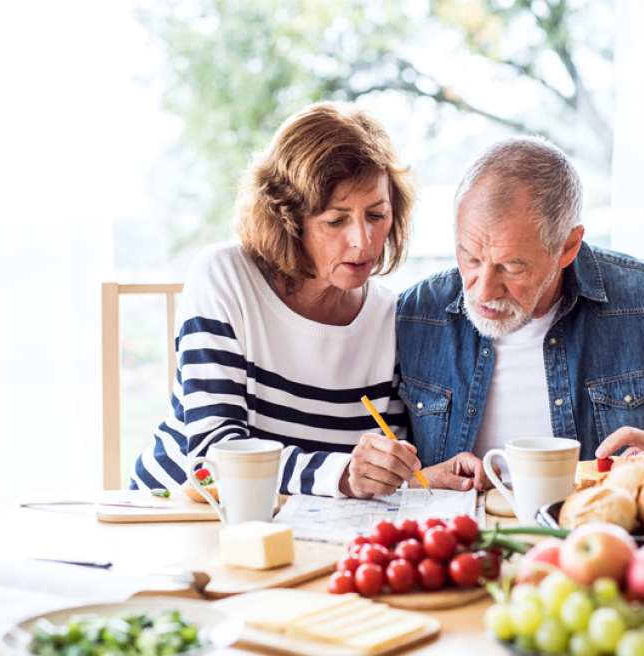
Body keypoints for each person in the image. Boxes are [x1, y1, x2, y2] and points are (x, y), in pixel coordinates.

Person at [396, 136, 644, 484]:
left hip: (619, 557)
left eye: (512, 266)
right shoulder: (416, 315)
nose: (483, 289)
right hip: (457, 562)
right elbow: (373, 472)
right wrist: (416, 480)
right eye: (468, 257)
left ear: (569, 247)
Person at [132, 101, 432, 499]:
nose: (363, 240)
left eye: (376, 215)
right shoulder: (225, 277)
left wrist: (406, 473)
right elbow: (213, 458)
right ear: (288, 220)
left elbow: (380, 469)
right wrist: (341, 475)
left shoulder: (389, 318)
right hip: (176, 511)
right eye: (335, 220)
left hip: (301, 527)